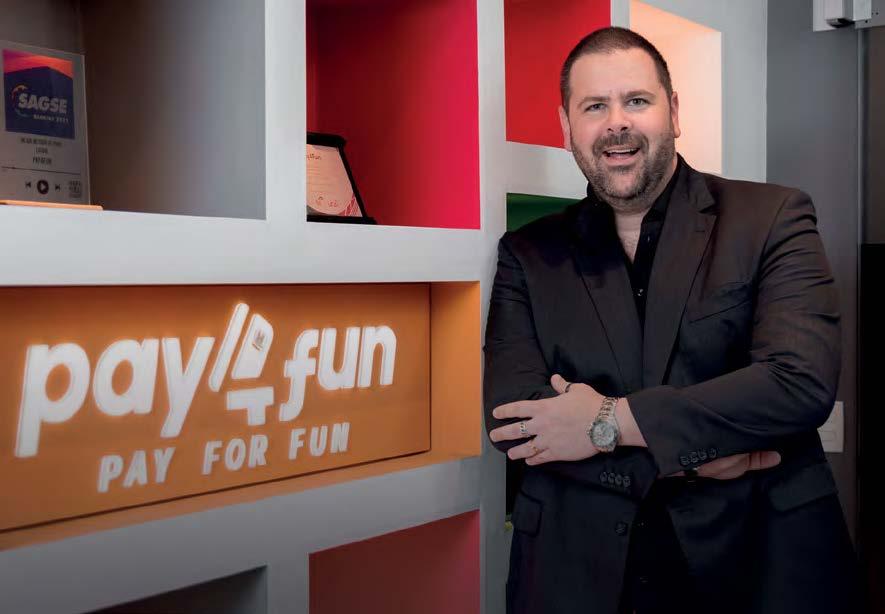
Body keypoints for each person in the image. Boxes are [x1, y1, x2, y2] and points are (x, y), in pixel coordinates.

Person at [484, 27, 858, 614]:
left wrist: (604, 423)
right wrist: (710, 446)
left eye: (636, 100)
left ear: (674, 112)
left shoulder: (772, 217)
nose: (616, 123)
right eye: (594, 106)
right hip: (580, 575)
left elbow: (797, 383)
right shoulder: (527, 255)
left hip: (756, 565)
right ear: (566, 128)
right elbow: (518, 421)